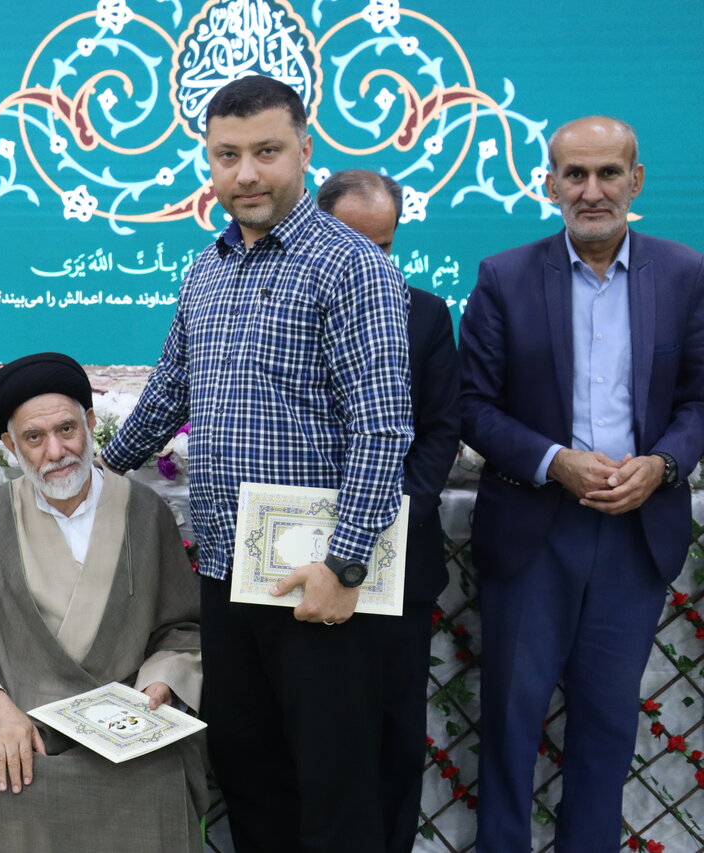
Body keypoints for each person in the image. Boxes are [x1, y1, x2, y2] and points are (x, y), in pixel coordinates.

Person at [101, 77, 414, 852]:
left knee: (334, 789)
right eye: (227, 155)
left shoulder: (351, 266)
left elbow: (382, 429)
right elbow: (168, 391)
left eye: (266, 152)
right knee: (248, 774)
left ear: (304, 151)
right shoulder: (206, 269)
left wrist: (343, 564)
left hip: (319, 582)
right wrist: (95, 476)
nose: (246, 174)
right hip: (224, 575)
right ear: (209, 162)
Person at [460, 116, 704, 853]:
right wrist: (554, 460)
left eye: (608, 173)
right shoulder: (504, 277)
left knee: (606, 722)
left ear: (636, 180)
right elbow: (473, 404)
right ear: (550, 185)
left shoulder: (685, 273)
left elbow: (698, 400)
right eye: (575, 175)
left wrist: (661, 465)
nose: (591, 191)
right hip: (534, 530)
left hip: (636, 531)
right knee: (511, 720)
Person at [0, 352, 206, 853]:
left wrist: (161, 683)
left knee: (158, 778)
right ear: (11, 446)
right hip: (21, 720)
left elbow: (181, 628)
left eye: (67, 429)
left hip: (126, 725)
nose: (56, 451)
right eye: (35, 438)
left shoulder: (144, 512)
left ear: (90, 423)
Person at [316, 170, 461, 853]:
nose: (369, 263)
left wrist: (388, 515)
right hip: (297, 560)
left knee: (394, 736)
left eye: (383, 247)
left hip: (396, 566)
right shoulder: (279, 304)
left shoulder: (425, 314)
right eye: (352, 244)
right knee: (311, 735)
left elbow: (440, 430)